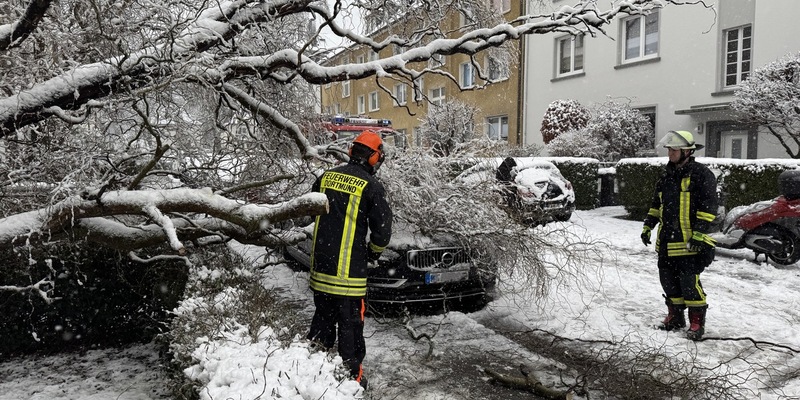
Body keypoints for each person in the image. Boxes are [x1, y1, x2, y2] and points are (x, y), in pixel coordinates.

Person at [307, 130, 392, 388]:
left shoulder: (325, 178)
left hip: (321, 272)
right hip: (349, 279)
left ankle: (311, 375)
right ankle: (351, 382)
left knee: (321, 326)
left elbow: (311, 210)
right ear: (374, 158)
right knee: (350, 332)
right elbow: (382, 231)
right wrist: (374, 253)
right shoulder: (371, 186)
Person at [640, 130, 717, 341]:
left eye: (673, 149)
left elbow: (709, 206)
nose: (669, 153)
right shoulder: (666, 176)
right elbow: (657, 205)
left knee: (689, 283)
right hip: (667, 242)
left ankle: (696, 322)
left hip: (690, 243)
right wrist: (648, 226)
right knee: (668, 281)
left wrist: (700, 233)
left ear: (686, 151)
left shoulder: (701, 175)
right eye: (669, 149)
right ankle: (675, 317)